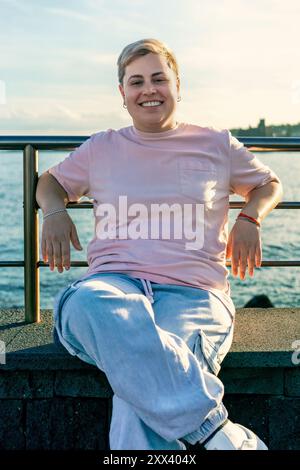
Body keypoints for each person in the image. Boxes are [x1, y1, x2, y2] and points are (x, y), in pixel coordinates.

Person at [36, 38, 283, 451]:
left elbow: (268, 183)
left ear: (177, 85)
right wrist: (54, 212)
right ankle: (215, 433)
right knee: (88, 302)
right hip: (113, 289)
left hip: (193, 294)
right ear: (123, 94)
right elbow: (51, 182)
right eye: (136, 82)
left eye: (158, 79)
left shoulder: (216, 143)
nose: (148, 90)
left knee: (143, 390)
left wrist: (250, 216)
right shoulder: (102, 147)